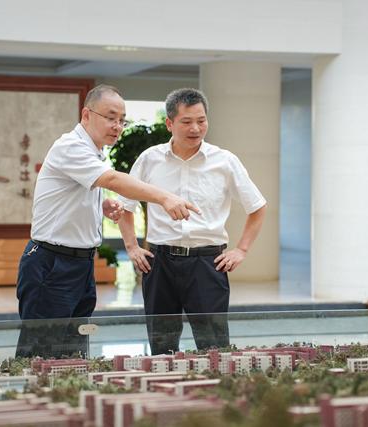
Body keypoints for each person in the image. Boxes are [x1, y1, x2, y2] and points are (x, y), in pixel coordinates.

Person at [16, 84, 199, 333]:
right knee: (43, 346)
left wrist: (100, 205)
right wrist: (165, 198)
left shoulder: (96, 152)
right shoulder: (71, 146)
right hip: (53, 262)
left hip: (80, 263)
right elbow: (112, 179)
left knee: (74, 346)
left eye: (122, 120)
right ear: (86, 115)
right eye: (111, 118)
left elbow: (72, 193)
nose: (118, 126)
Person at [118, 88, 267, 355]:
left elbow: (257, 207)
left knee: (214, 347)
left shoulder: (225, 161)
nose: (195, 128)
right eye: (186, 121)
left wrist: (241, 250)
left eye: (201, 120)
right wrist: (131, 246)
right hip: (159, 263)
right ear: (169, 123)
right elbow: (125, 205)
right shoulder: (150, 159)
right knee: (161, 345)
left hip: (207, 264)